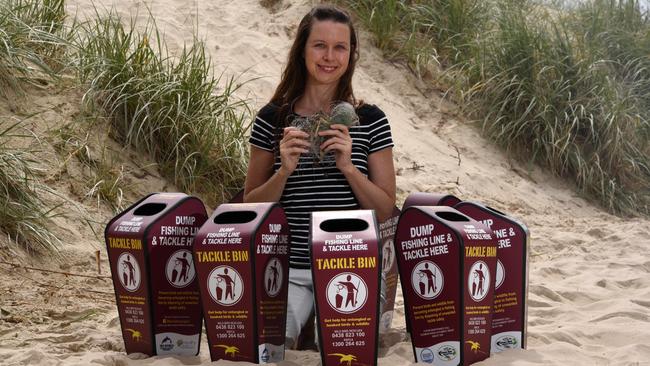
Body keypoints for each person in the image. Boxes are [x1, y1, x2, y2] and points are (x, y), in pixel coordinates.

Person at [244, 4, 396, 349]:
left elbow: (386, 209)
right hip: (290, 269)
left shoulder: (370, 119)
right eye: (319, 45)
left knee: (347, 350)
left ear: (351, 54)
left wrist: (348, 167)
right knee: (272, 348)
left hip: (352, 261)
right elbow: (250, 205)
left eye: (340, 47)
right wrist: (283, 171)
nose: (329, 56)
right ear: (302, 50)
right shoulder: (272, 117)